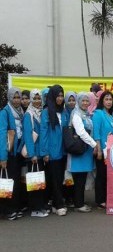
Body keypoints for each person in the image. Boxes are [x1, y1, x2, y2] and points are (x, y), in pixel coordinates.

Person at [40, 85, 68, 216]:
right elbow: (43, 132)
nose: (60, 98)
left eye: (62, 96)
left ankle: (55, 204)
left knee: (59, 177)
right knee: (55, 178)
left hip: (62, 150)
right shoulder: (46, 111)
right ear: (52, 96)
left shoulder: (63, 111)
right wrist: (44, 151)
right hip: (51, 151)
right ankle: (59, 204)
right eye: (58, 96)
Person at [68, 92, 98, 213]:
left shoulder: (86, 114)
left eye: (87, 101)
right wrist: (94, 144)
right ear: (78, 102)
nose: (85, 103)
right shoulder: (76, 114)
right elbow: (81, 132)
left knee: (82, 177)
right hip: (78, 151)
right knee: (78, 178)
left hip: (85, 150)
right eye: (83, 101)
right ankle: (78, 204)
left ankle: (79, 201)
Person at [22, 89, 48, 217]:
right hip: (33, 155)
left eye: (39, 99)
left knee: (39, 181)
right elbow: (28, 136)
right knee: (34, 182)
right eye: (35, 98)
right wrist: (32, 154)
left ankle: (40, 206)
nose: (37, 101)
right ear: (31, 99)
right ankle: (35, 209)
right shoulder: (29, 115)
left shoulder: (41, 112)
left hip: (40, 153)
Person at [0, 88, 25, 220]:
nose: (16, 100)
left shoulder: (20, 111)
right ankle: (7, 210)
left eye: (18, 97)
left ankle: (14, 207)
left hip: (17, 153)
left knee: (15, 181)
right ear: (10, 98)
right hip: (8, 153)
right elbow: (2, 135)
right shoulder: (5, 112)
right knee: (7, 182)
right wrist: (3, 157)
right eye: (14, 97)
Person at [92, 91, 113, 209]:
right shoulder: (98, 113)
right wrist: (99, 148)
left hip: (110, 150)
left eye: (110, 99)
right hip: (102, 149)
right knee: (101, 174)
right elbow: (96, 132)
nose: (109, 102)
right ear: (102, 101)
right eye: (106, 99)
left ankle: (107, 197)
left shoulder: (111, 115)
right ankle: (100, 200)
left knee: (107, 175)